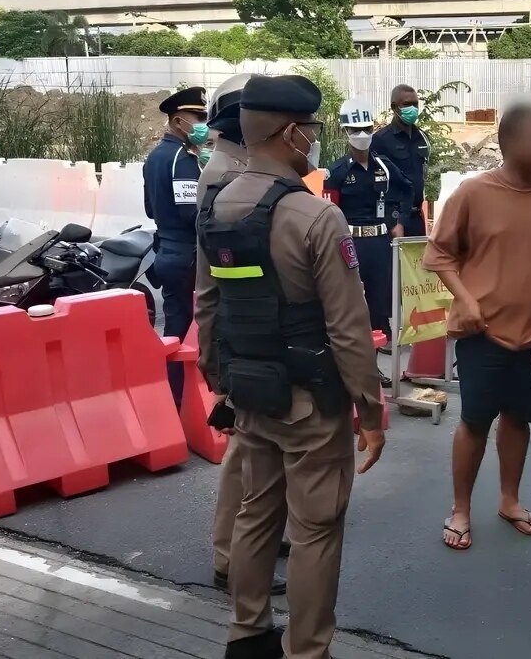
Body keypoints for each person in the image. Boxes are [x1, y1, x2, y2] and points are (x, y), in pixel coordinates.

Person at [194, 75, 386, 659]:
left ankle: (247, 634)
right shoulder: (314, 217)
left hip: (252, 391)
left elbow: (209, 305)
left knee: (256, 514)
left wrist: (219, 382)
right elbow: (348, 326)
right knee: (317, 529)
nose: (316, 141)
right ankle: (308, 649)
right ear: (293, 133)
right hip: (311, 400)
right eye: (314, 131)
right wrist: (370, 410)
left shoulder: (218, 202)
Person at [423, 104, 531, 552]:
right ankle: (461, 508)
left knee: (518, 417)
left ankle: (510, 500)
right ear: (508, 143)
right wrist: (465, 301)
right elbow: (439, 256)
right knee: (474, 419)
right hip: (482, 330)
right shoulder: (473, 192)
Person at [195, 73, 290, 598]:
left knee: (264, 443)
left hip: (257, 328)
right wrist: (212, 353)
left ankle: (259, 535)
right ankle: (230, 556)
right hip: (243, 332)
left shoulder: (238, 168)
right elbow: (210, 281)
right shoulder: (224, 176)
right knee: (244, 450)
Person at [324, 98, 411, 369]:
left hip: (379, 242)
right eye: (354, 130)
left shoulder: (383, 166)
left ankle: (371, 369)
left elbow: (406, 190)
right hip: (349, 243)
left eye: (366, 128)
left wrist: (398, 219)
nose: (361, 135)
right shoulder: (337, 172)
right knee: (348, 306)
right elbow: (329, 210)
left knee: (377, 304)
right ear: (345, 132)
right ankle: (349, 368)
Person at [144, 85, 208, 404]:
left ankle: (172, 398)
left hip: (167, 251)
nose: (202, 123)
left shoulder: (155, 157)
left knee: (175, 328)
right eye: (197, 116)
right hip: (187, 254)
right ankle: (183, 400)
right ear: (178, 119)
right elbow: (190, 214)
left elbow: (150, 209)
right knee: (190, 331)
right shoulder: (181, 159)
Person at [371, 84, 430, 237]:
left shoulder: (422, 138)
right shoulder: (380, 140)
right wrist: (394, 222)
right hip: (394, 219)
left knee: (417, 261)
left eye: (415, 104)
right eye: (406, 104)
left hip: (416, 216)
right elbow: (376, 184)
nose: (412, 109)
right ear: (394, 107)